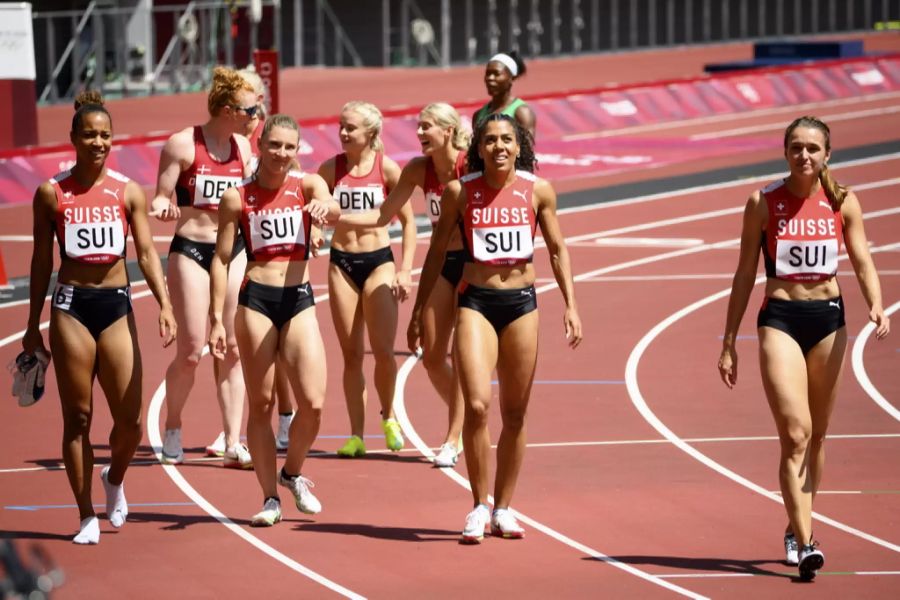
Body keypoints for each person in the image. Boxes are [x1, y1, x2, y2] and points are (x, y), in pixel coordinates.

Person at [718, 116, 890, 580]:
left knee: (817, 436)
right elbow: (742, 275)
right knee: (795, 432)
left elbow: (861, 259)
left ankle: (797, 528)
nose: (804, 156)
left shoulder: (842, 201)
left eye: (813, 148)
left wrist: (877, 304)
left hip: (829, 321)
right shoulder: (762, 202)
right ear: (785, 152)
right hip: (780, 320)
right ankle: (808, 540)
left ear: (827, 155)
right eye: (796, 147)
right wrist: (729, 340)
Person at [408, 114, 582, 543]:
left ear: (519, 146)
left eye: (507, 139)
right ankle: (478, 505)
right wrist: (418, 310)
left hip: (522, 305)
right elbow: (435, 256)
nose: (499, 147)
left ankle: (504, 507)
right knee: (479, 405)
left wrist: (571, 305)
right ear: (478, 148)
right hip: (477, 302)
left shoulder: (537, 191)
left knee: (516, 413)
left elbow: (558, 250)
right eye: (490, 140)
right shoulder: (459, 192)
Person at [23, 91, 176, 544]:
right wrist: (32, 325)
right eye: (89, 135)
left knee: (129, 421)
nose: (98, 142)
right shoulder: (51, 194)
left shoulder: (127, 192)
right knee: (79, 418)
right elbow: (38, 261)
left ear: (114, 140)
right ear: (73, 138)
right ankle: (86, 513)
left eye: (105, 135)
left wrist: (165, 304)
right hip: (71, 307)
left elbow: (147, 252)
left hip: (115, 306)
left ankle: (114, 479)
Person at [209, 114, 341, 526]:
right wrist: (216, 317)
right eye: (275, 145)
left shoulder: (307, 186)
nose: (281, 154)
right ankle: (270, 498)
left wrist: (326, 210)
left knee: (314, 403)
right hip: (256, 301)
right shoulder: (237, 197)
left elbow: (332, 207)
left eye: (289, 147)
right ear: (261, 146)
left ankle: (293, 471)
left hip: (298, 297)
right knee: (262, 402)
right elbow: (222, 257)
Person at [340, 102, 468, 467]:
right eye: (419, 127)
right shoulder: (417, 169)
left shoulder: (467, 165)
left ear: (448, 131)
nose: (420, 133)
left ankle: (453, 437)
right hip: (443, 263)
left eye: (428, 127)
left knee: (461, 356)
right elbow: (383, 214)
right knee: (431, 357)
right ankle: (468, 415)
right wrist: (337, 215)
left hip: (474, 266)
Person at [151, 66, 255, 468]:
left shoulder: (244, 149)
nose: (254, 116)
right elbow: (160, 196)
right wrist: (165, 208)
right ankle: (173, 427)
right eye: (249, 109)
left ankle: (233, 440)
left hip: (231, 252)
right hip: (192, 250)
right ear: (228, 109)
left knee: (230, 349)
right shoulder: (182, 144)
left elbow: (252, 196)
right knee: (193, 350)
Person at [318, 101, 416, 457]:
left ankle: (388, 415)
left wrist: (405, 269)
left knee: (384, 352)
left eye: (351, 128)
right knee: (351, 355)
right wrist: (314, 232)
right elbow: (313, 211)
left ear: (371, 133)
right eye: (341, 126)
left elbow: (407, 223)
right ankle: (356, 434)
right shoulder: (330, 169)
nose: (343, 133)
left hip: (379, 263)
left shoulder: (386, 169)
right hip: (341, 263)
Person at [237, 67, 295, 452]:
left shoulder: (270, 135)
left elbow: (306, 190)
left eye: (252, 101)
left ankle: (288, 414)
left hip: (290, 274)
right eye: (240, 102)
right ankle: (232, 432)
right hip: (246, 245)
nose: (248, 109)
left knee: (289, 358)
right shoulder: (235, 141)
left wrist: (318, 222)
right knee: (252, 361)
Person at [474, 51, 536, 136]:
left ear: (512, 78)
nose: (490, 78)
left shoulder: (522, 113)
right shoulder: (478, 115)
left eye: (497, 74)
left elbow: (527, 147)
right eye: (488, 74)